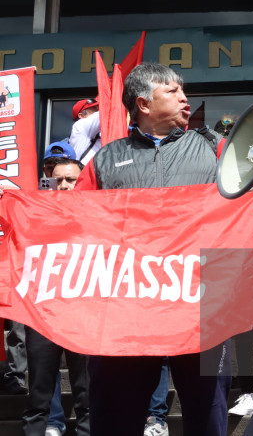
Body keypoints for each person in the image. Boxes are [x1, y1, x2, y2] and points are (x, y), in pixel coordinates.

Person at [74, 63, 230, 436]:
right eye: (172, 91)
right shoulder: (105, 159)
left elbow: (249, 211)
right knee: (114, 418)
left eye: (183, 89)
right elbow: (76, 224)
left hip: (202, 305)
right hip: (125, 307)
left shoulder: (217, 148)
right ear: (143, 103)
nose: (184, 97)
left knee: (208, 416)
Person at [22, 155, 90, 436]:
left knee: (87, 394)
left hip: (85, 313)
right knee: (39, 394)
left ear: (84, 181)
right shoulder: (33, 215)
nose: (63, 185)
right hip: (43, 315)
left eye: (71, 180)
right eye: (57, 180)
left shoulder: (100, 216)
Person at [70, 98, 101, 166]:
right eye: (95, 110)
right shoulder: (79, 125)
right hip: (85, 170)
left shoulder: (97, 130)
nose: (98, 111)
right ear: (82, 115)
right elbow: (104, 112)